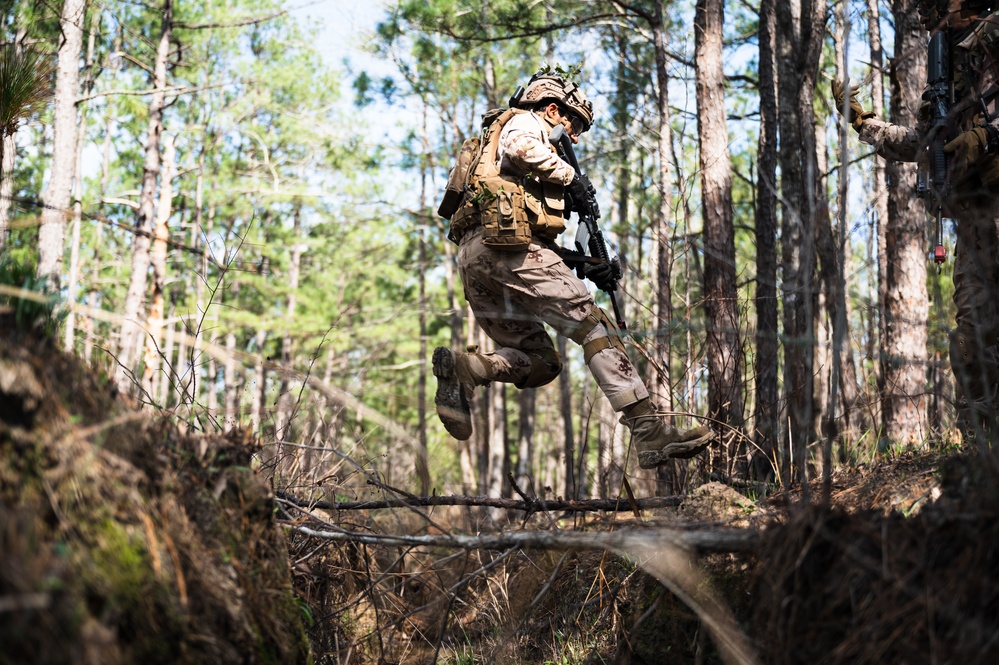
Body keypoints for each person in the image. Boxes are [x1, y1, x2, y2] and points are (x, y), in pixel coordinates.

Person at [433, 71, 714, 469]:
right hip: (509, 251)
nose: (576, 138)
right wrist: (572, 179)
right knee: (595, 328)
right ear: (552, 110)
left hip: (478, 256)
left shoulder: (491, 146)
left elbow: (521, 231)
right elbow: (521, 149)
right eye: (574, 125)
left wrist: (582, 263)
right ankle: (649, 433)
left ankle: (467, 369)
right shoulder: (525, 121)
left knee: (541, 362)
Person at [834, 0, 999, 442]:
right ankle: (978, 463)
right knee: (972, 343)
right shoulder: (948, 72)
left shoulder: (993, 43)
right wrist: (863, 123)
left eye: (935, 6)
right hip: (977, 223)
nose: (928, 17)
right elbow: (925, 145)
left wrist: (988, 138)